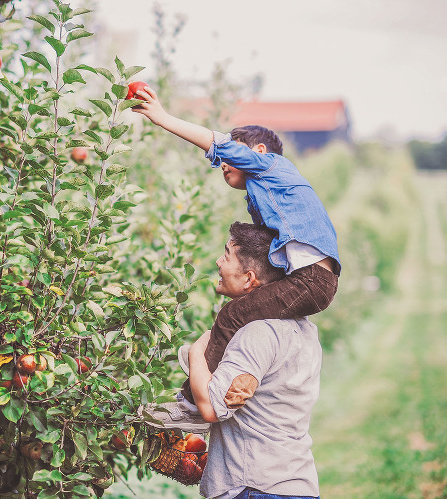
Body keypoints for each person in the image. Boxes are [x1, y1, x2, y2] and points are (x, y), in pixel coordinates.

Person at [133, 87, 340, 416]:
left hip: (310, 280)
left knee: (232, 315)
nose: (223, 164)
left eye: (233, 155)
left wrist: (163, 119)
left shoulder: (272, 166)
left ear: (257, 151)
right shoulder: (267, 195)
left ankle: (191, 399)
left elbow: (221, 146)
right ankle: (226, 377)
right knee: (241, 311)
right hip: (310, 280)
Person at [190, 222, 325, 499]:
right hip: (296, 491)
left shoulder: (257, 332)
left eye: (227, 255)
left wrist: (195, 350)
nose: (218, 261)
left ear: (249, 278)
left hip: (261, 494)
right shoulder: (304, 330)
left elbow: (212, 408)